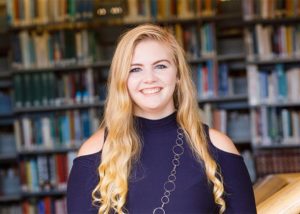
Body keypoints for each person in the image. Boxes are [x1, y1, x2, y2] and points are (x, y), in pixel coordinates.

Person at [67, 24, 256, 214]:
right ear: (121, 79)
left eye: (160, 66)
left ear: (178, 75)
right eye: (135, 69)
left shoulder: (219, 147)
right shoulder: (93, 153)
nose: (149, 78)